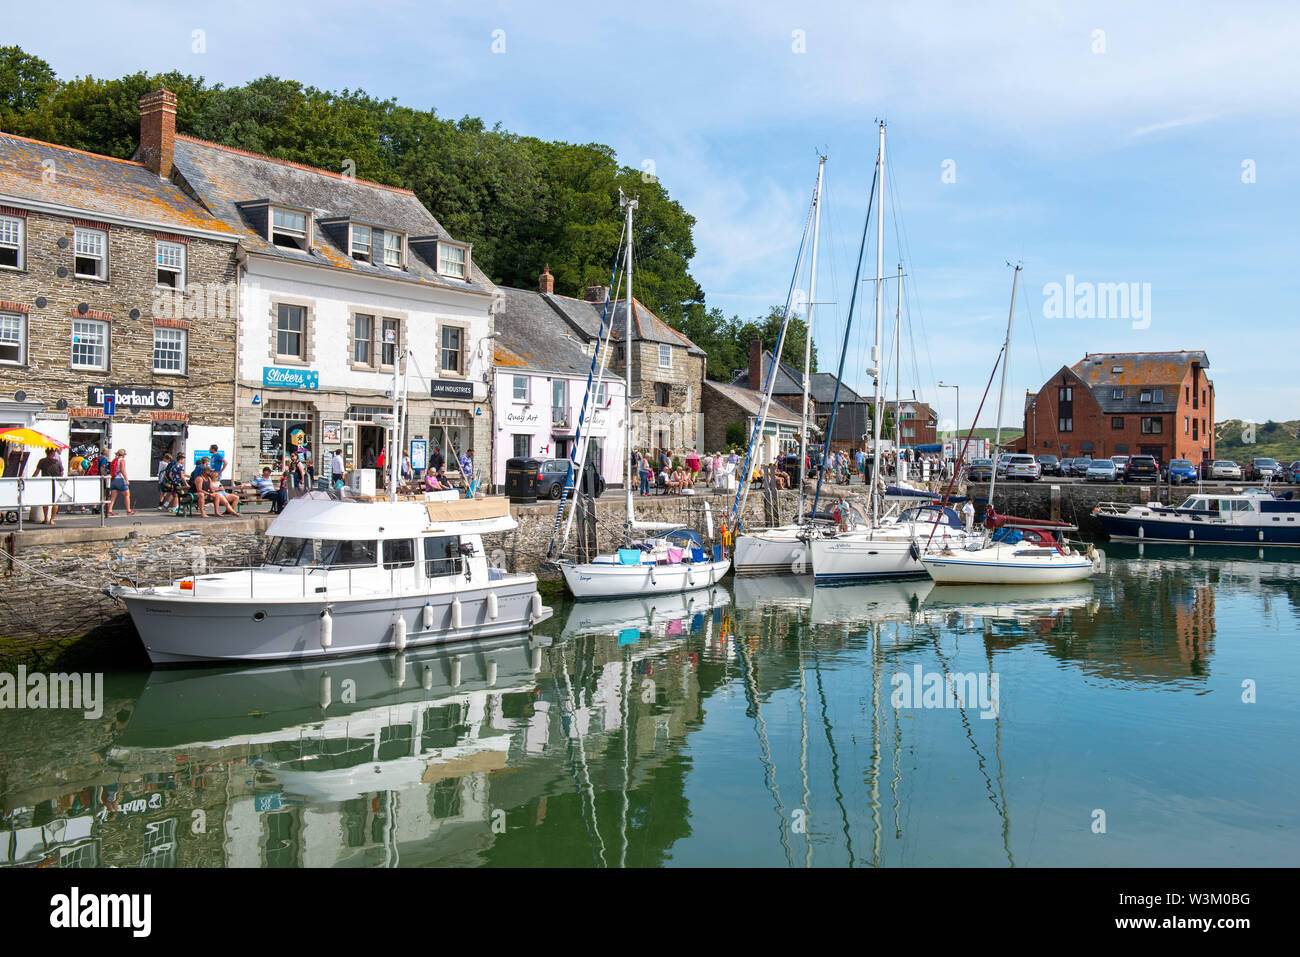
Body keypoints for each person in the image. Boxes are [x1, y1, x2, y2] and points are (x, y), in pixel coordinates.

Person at [35, 447, 63, 525]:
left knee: (45, 501)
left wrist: (32, 479)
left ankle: (45, 518)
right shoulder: (57, 462)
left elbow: (36, 472)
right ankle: (52, 519)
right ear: (53, 453)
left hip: (45, 483)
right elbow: (62, 473)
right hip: (55, 483)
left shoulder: (42, 461)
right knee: (55, 502)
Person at [104, 449, 136, 515]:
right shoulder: (122, 460)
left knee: (113, 496)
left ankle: (109, 510)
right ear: (123, 454)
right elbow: (122, 470)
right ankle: (128, 510)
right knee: (127, 495)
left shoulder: (114, 460)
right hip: (120, 479)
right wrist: (126, 479)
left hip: (113, 479)